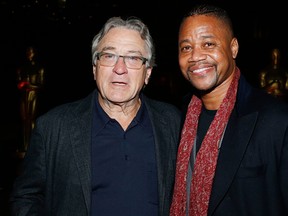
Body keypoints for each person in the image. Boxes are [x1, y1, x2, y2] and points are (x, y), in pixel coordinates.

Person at [10, 16, 181, 216]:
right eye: (109, 56)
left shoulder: (173, 122)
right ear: (94, 68)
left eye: (133, 58)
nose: (119, 69)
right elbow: (26, 197)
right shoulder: (53, 126)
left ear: (148, 73)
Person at [169, 4, 288, 216]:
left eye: (208, 43)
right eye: (186, 47)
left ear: (233, 48)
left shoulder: (276, 120)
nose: (196, 56)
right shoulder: (178, 118)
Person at [16, 46, 45, 155]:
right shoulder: (22, 68)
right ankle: (23, 145)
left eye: (31, 52)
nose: (29, 54)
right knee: (24, 120)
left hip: (33, 96)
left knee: (31, 119)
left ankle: (31, 146)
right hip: (23, 96)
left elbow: (40, 85)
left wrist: (30, 84)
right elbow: (18, 84)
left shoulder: (38, 68)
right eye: (27, 52)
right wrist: (22, 83)